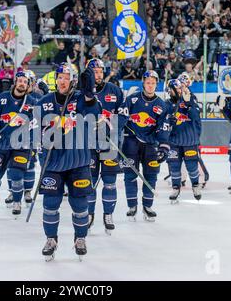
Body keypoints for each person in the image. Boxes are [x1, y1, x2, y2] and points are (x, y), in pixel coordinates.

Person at [35, 62, 101, 261]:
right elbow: (36, 131)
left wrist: (89, 95)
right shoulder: (44, 101)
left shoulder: (81, 98)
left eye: (66, 78)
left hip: (78, 161)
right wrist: (44, 147)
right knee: (51, 203)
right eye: (59, 77)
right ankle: (51, 239)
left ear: (73, 80)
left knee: (80, 204)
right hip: (53, 163)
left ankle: (80, 238)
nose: (62, 81)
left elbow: (93, 112)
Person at [0, 71, 36, 217]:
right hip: (3, 144)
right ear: (15, 82)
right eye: (20, 80)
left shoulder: (31, 102)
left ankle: (17, 201)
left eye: (25, 81)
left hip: (22, 145)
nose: (22, 83)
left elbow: (36, 125)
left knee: (17, 174)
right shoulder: (3, 97)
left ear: (28, 85)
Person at [118, 70, 170, 221]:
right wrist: (114, 135)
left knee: (151, 176)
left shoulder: (161, 105)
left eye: (153, 83)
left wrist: (164, 146)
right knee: (130, 175)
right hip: (131, 143)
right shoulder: (132, 99)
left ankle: (147, 206)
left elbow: (163, 127)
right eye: (148, 82)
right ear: (143, 83)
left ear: (156, 84)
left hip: (150, 145)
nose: (150, 85)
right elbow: (121, 118)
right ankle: (132, 206)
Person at [85, 58, 124, 234]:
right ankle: (89, 214)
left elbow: (123, 113)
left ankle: (108, 214)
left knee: (109, 182)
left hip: (109, 143)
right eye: (94, 72)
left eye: (100, 71)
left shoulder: (115, 91)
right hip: (88, 145)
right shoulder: (81, 92)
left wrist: (114, 127)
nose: (97, 74)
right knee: (89, 182)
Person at [5, 70, 43, 207]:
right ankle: (12, 191)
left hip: (31, 137)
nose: (29, 84)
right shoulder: (13, 95)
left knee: (30, 164)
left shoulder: (38, 97)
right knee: (11, 165)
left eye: (30, 81)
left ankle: (27, 191)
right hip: (13, 137)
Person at [165, 78, 202, 203]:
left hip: (189, 140)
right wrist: (169, 120)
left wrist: (188, 104)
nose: (178, 91)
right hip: (174, 141)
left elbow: (196, 117)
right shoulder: (166, 104)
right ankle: (176, 188)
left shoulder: (190, 99)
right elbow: (163, 122)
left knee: (192, 166)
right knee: (174, 167)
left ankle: (196, 185)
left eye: (179, 88)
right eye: (174, 89)